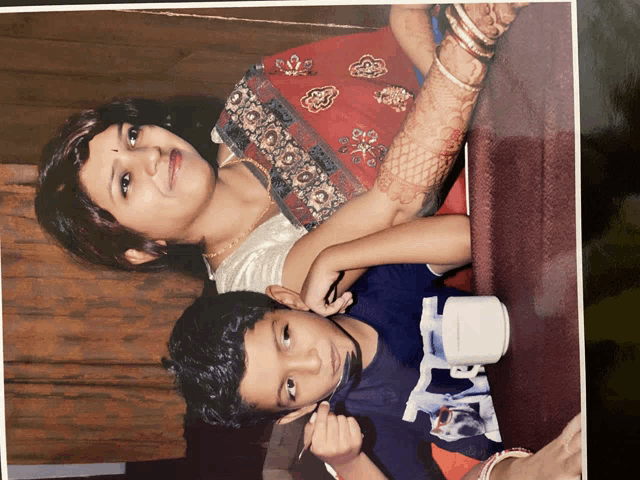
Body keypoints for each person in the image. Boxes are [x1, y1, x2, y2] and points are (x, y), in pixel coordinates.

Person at [34, 4, 526, 299]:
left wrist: (443, 37)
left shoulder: (253, 98)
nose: (150, 157)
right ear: (141, 250)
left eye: (133, 136)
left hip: (496, 79)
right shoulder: (252, 282)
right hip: (508, 206)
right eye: (125, 182)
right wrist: (470, 48)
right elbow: (399, 199)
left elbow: (408, 42)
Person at [163, 215, 582, 480]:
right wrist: (349, 464)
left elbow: (469, 236)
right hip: (541, 439)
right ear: (295, 411)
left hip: (558, 323)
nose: (311, 362)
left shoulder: (373, 293)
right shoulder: (359, 427)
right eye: (290, 387)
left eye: (286, 336)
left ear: (288, 300)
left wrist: (334, 258)